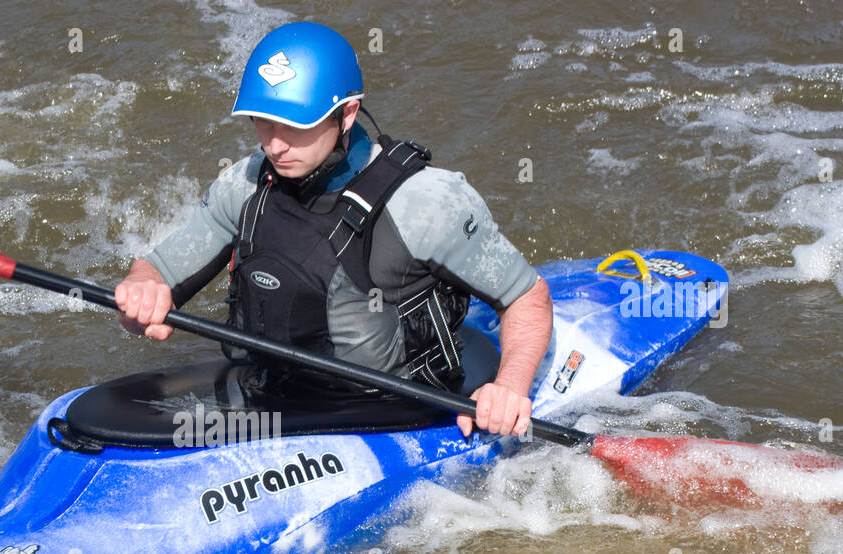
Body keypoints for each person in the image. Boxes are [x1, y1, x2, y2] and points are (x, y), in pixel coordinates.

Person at [114, 22, 551, 438]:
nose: (275, 144)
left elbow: (526, 298)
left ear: (347, 114)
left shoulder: (426, 204)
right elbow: (155, 273)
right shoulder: (244, 185)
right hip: (274, 393)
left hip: (389, 408)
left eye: (295, 125)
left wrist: (510, 386)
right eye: (264, 121)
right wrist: (142, 292)